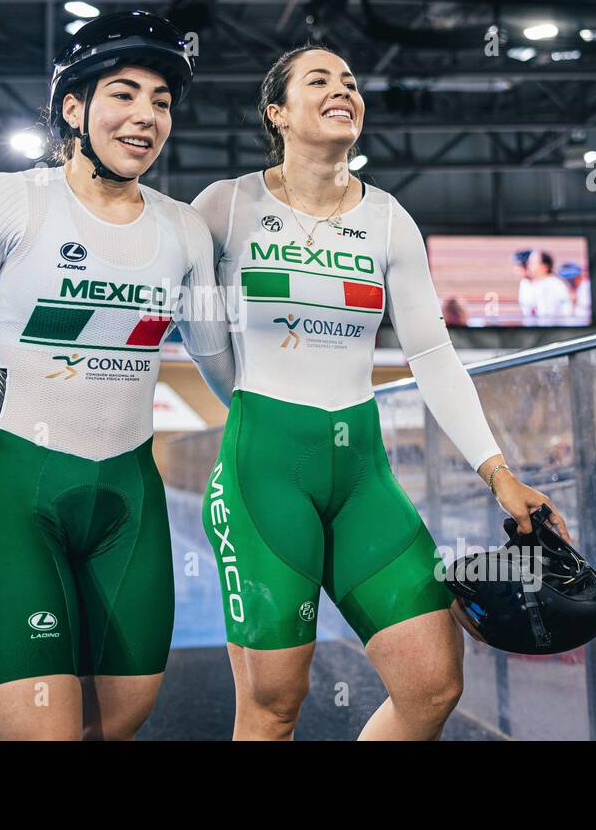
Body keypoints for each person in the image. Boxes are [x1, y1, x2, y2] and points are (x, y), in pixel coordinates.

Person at [0, 10, 233, 741]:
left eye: (161, 101)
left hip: (129, 500)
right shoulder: (12, 200)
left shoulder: (186, 230)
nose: (145, 116)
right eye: (124, 94)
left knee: (118, 724)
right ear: (73, 108)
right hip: (19, 500)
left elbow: (222, 365)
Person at [191, 44, 568, 741]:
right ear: (277, 111)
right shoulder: (225, 205)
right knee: (274, 702)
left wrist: (499, 474)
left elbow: (430, 352)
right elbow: (196, 328)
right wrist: (246, 400)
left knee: (432, 685)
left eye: (352, 82)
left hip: (362, 471)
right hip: (263, 473)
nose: (344, 89)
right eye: (320, 80)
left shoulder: (389, 217)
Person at [523, 250, 574, 325]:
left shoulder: (553, 285)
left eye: (532, 263)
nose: (528, 266)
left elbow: (547, 320)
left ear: (544, 267)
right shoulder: (537, 284)